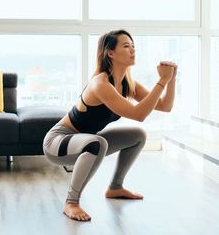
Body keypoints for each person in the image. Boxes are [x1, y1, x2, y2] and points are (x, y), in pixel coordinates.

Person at [43, 29, 177, 221]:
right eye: (126, 46)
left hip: (87, 141)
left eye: (133, 46)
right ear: (110, 53)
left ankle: (115, 187)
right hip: (57, 142)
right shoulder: (101, 83)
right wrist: (162, 80)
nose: (132, 50)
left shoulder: (127, 84)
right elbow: (139, 114)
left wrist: (171, 80)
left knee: (137, 135)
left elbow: (165, 106)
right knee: (98, 143)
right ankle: (71, 203)